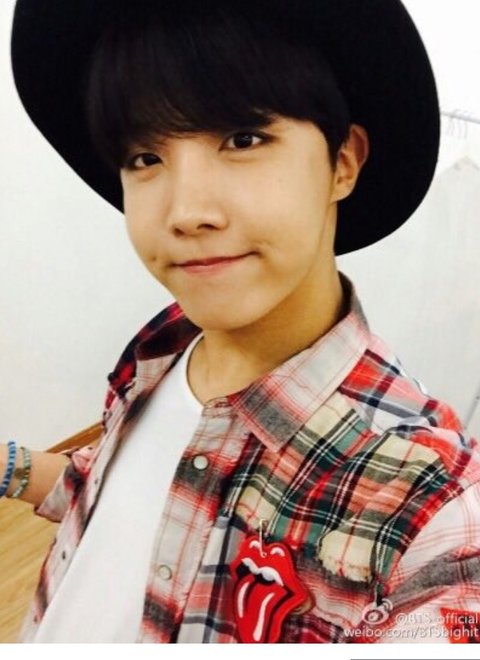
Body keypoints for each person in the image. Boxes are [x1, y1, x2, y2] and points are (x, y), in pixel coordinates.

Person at [2, 0, 480, 644]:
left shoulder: (428, 503)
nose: (185, 212)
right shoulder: (165, 347)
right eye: (144, 157)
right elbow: (119, 497)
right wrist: (9, 466)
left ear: (343, 161)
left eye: (243, 139)